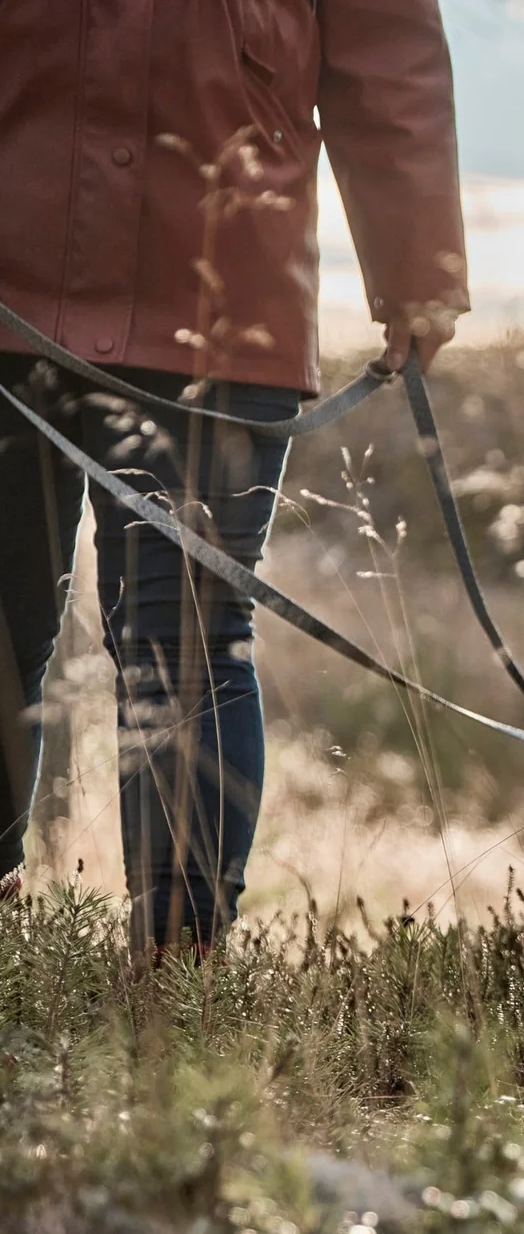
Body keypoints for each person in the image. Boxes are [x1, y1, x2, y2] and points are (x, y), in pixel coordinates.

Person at [0, 0, 469, 953]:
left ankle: (178, 972)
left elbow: (390, 48)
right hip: (8, 283)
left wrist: (419, 267)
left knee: (190, 647)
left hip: (225, 294)